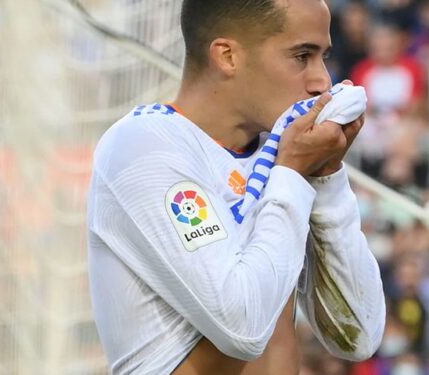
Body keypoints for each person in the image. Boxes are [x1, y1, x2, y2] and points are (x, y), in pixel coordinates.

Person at [86, 0, 386, 374]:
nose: (322, 81)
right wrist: (291, 174)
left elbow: (359, 335)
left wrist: (326, 177)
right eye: (301, 56)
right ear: (227, 56)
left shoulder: (277, 152)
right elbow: (243, 330)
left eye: (323, 56)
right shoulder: (144, 146)